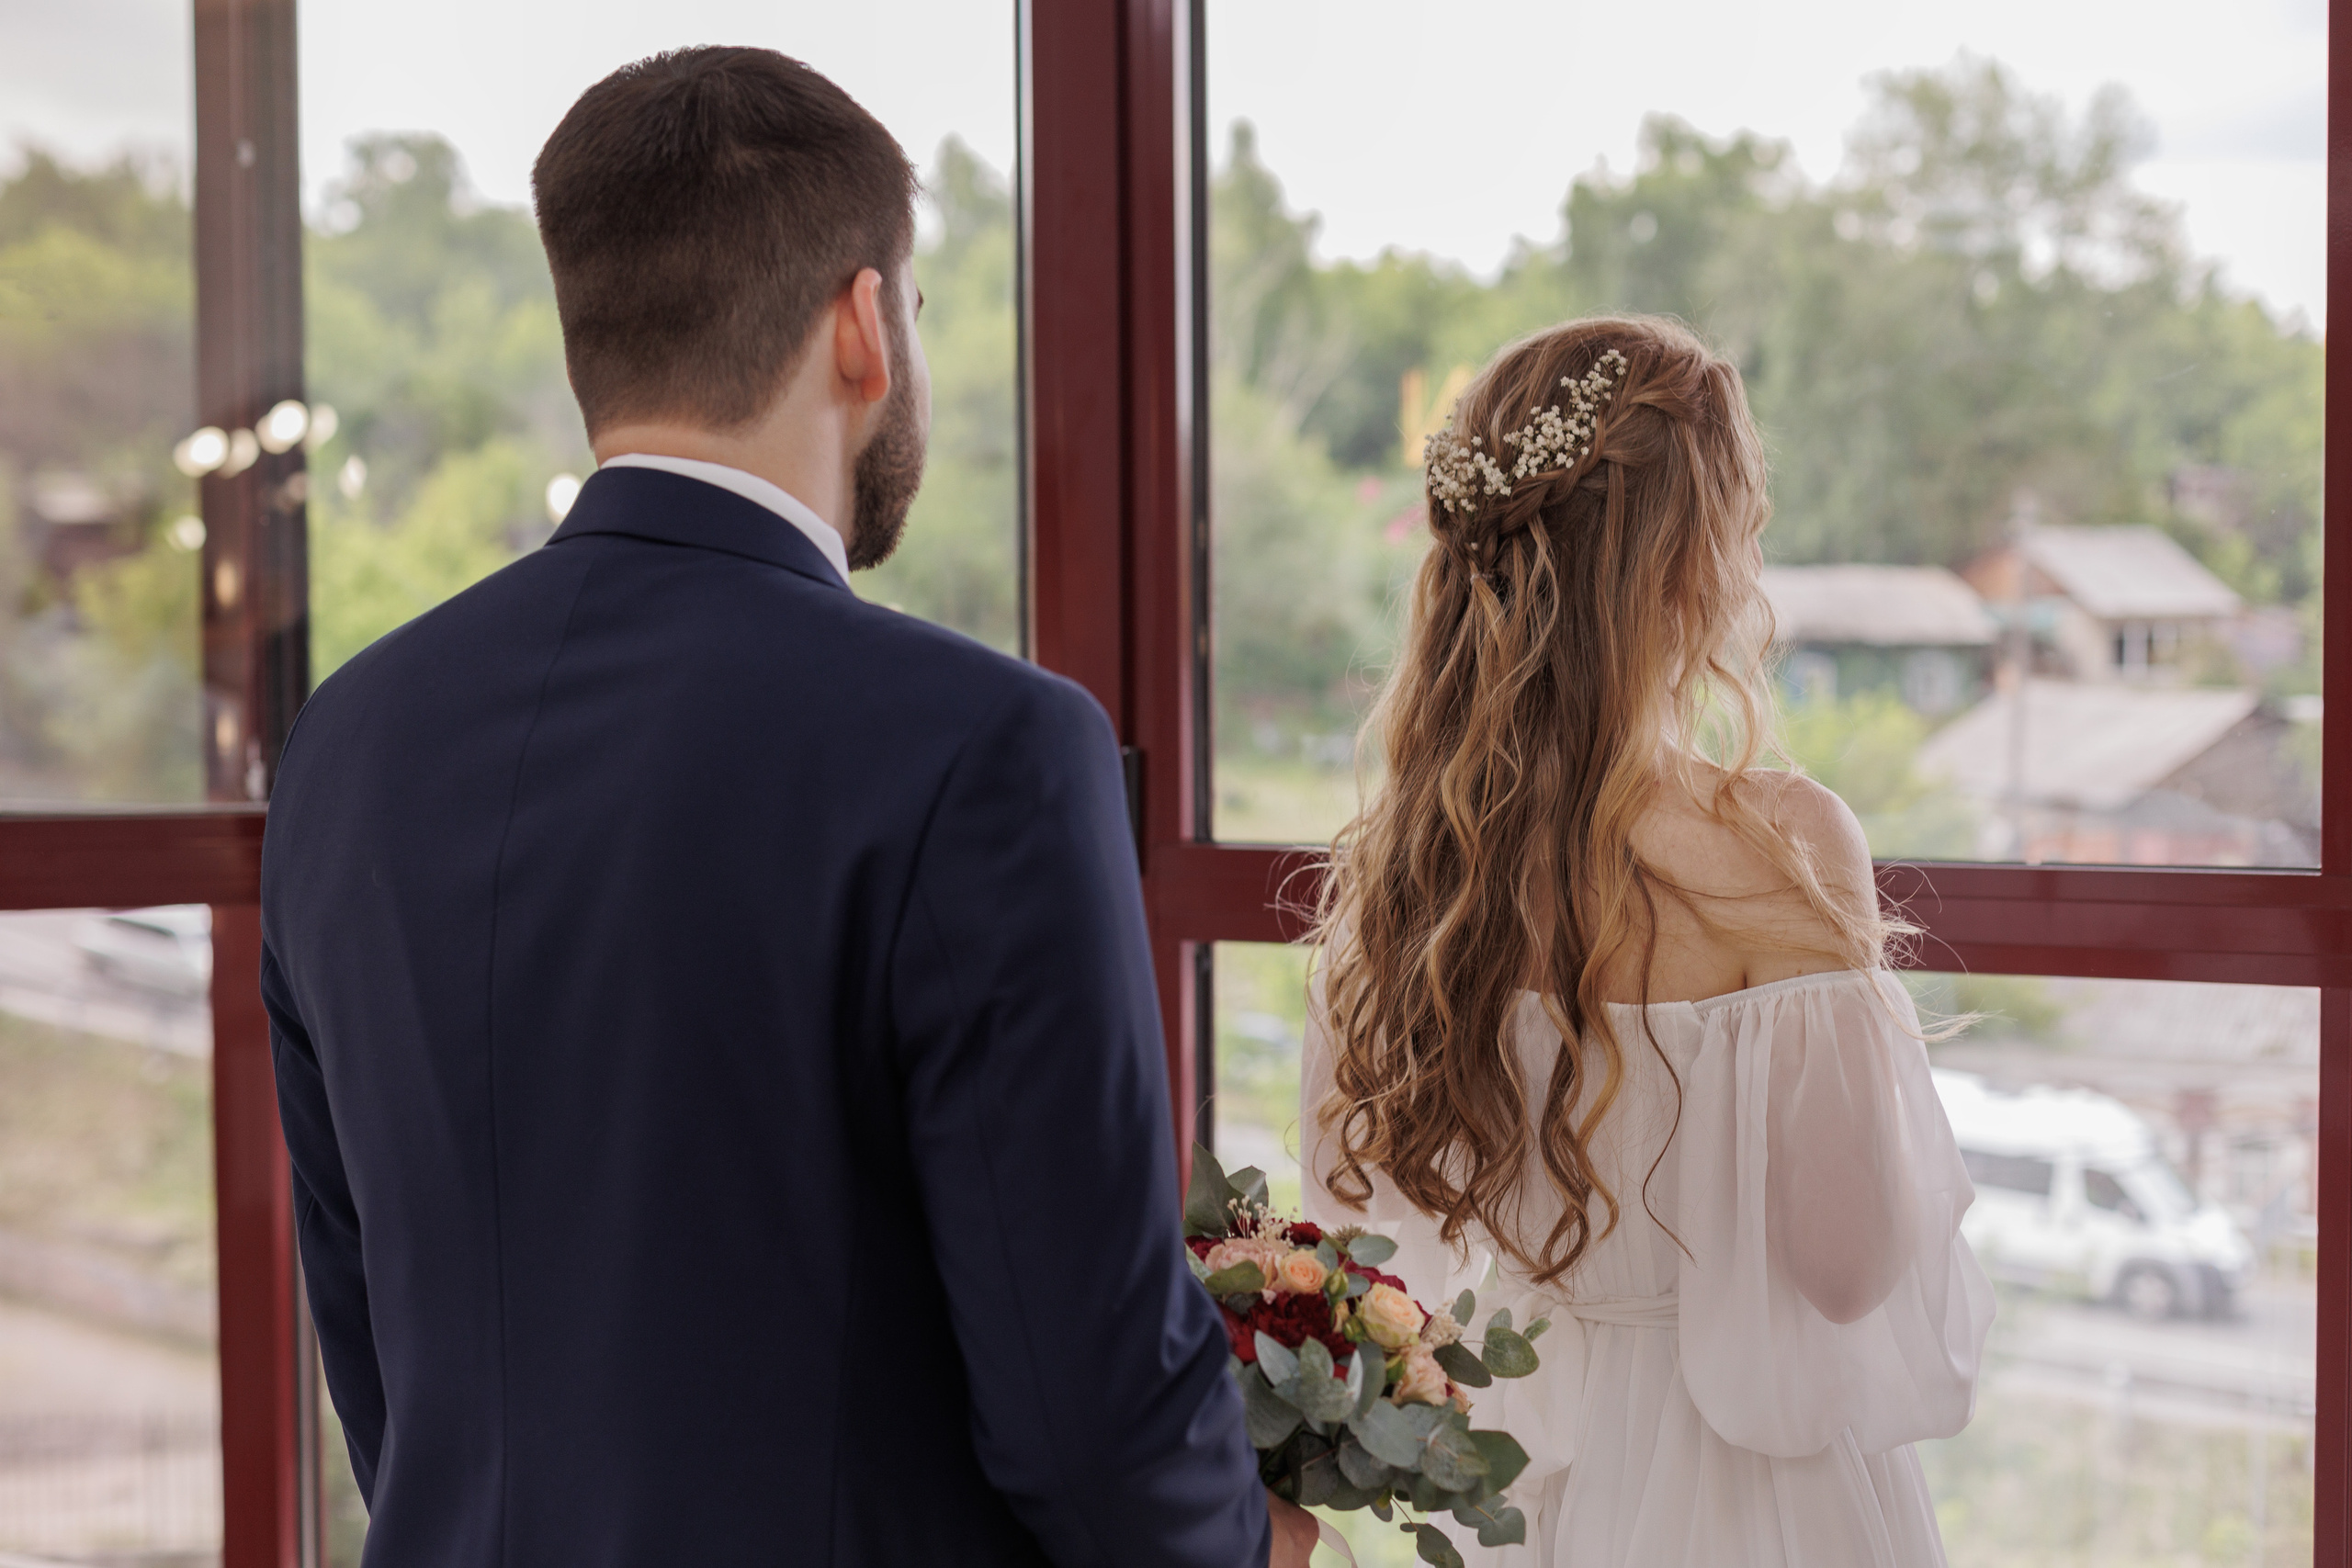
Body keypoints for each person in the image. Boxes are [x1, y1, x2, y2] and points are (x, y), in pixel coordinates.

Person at [261, 47, 1318, 1568]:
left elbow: (387, 1374)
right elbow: (1086, 1413)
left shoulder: (347, 742)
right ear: (864, 324)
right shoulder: (990, 747)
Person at [1303, 316, 1995, 1566]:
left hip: (1529, 1472)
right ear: (1690, 559)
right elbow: (1846, 1271)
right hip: (1756, 1495)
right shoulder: (1781, 844)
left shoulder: (1404, 878)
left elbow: (1364, 1243)